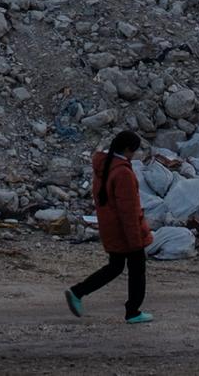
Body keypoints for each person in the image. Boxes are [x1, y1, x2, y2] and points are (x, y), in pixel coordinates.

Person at [66, 130, 154, 324]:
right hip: (126, 231)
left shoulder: (105, 166)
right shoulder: (123, 172)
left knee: (115, 267)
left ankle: (78, 291)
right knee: (137, 271)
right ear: (128, 149)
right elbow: (128, 210)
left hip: (111, 228)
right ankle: (133, 311)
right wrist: (136, 240)